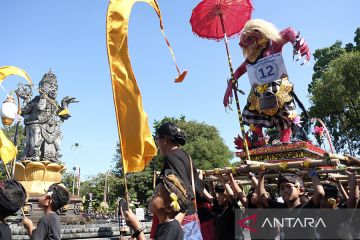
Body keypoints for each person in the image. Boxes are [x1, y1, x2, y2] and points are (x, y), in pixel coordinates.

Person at [223, 19, 311, 145]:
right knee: (252, 115)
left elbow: (288, 31)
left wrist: (297, 42)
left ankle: (285, 141)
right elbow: (238, 72)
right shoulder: (252, 57)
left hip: (279, 88)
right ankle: (258, 141)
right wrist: (229, 88)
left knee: (285, 117)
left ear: (258, 33)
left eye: (249, 39)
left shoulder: (273, 43)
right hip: (258, 93)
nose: (249, 44)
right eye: (246, 42)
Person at [151, 122, 204, 239]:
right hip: (192, 220)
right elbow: (198, 190)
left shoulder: (172, 157)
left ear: (165, 139)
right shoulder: (187, 157)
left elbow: (183, 190)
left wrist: (175, 223)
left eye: (157, 139)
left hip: (181, 222)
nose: (157, 144)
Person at [123, 170, 190, 240]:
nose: (152, 196)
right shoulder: (167, 226)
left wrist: (137, 228)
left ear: (168, 208)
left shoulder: (170, 230)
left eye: (157, 194)